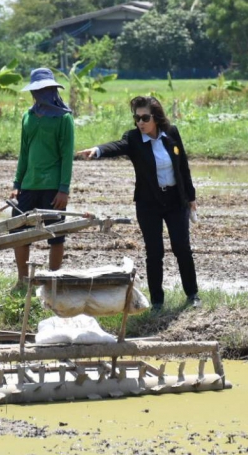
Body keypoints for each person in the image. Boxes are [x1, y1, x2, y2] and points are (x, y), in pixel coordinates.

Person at [77, 96, 199, 311]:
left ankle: (192, 295)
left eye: (145, 117)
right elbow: (118, 145)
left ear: (156, 117)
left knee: (182, 249)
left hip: (175, 201)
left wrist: (190, 198)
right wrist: (98, 150)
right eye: (137, 118)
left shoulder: (171, 133)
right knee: (154, 253)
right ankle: (157, 302)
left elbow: (184, 167)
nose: (140, 122)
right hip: (148, 203)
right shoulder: (133, 138)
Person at [10, 67, 74, 286]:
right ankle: (22, 279)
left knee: (55, 234)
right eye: (37, 91)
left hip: (53, 186)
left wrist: (63, 189)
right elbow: (24, 152)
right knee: (18, 231)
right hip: (28, 184)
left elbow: (67, 156)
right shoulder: (28, 116)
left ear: (53, 90)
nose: (40, 94)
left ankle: (52, 280)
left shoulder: (63, 118)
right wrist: (17, 183)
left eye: (45, 89)